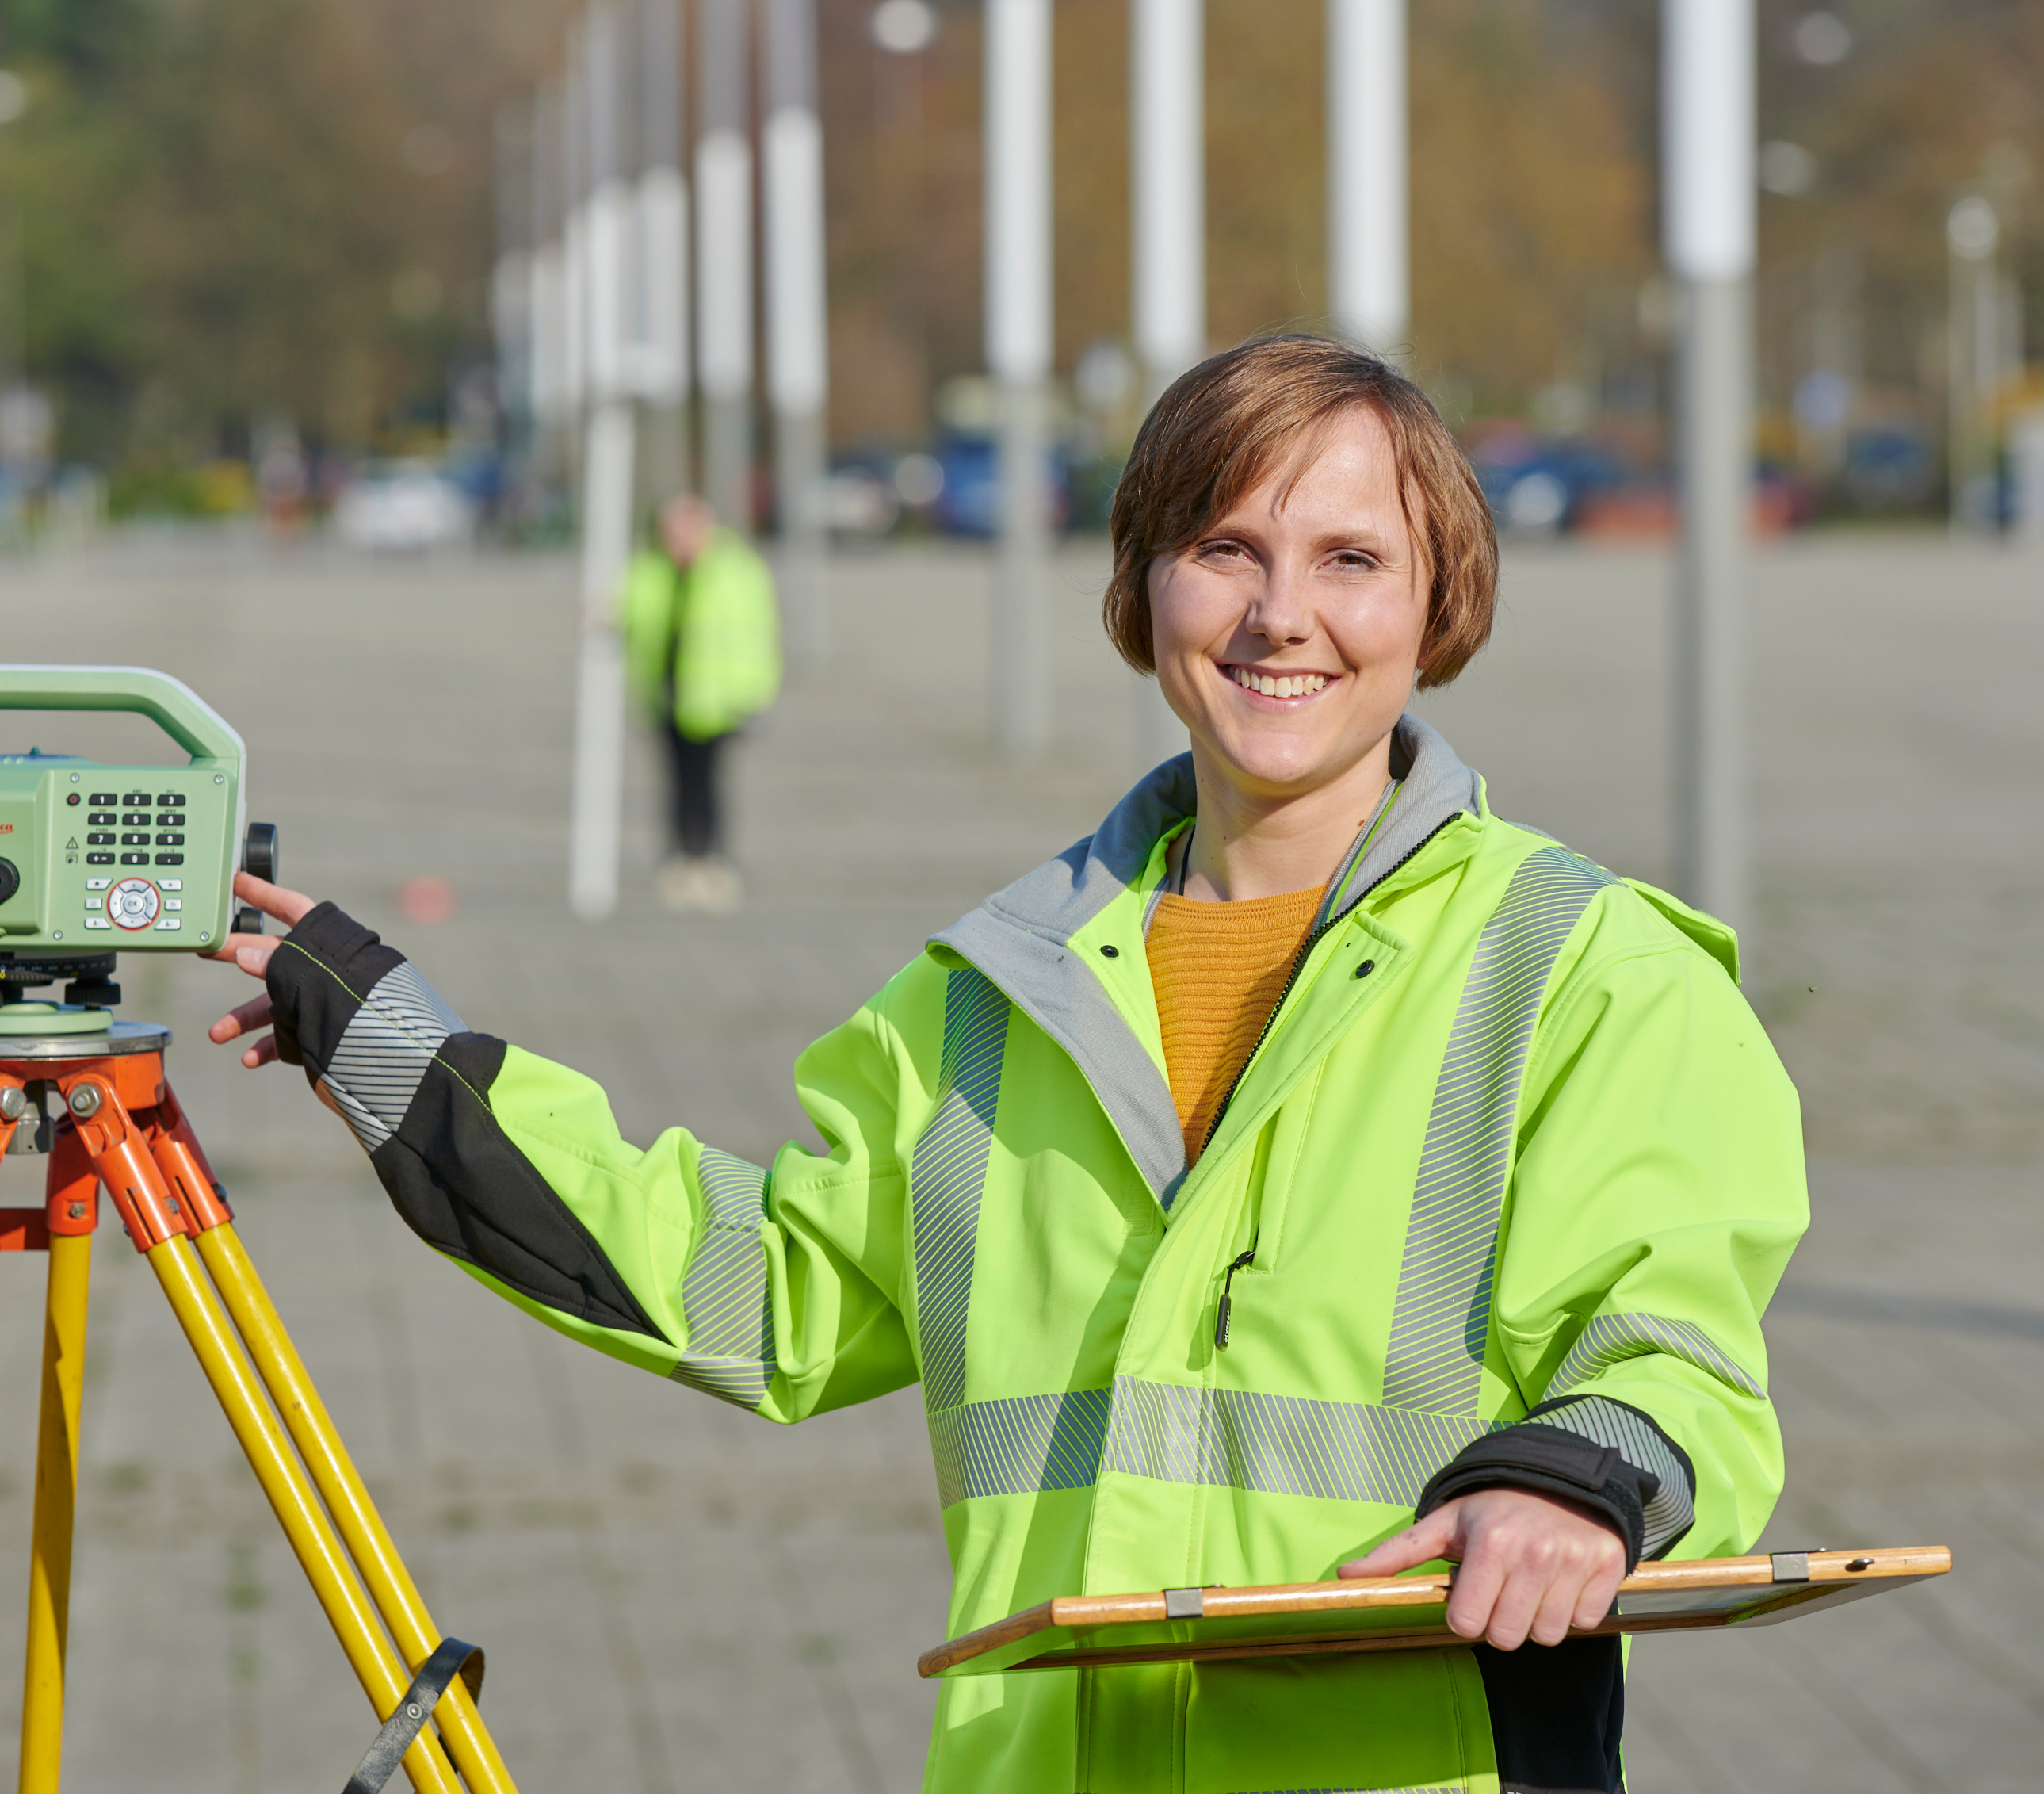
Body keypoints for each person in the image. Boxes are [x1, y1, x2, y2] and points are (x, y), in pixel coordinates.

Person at [207, 335, 1806, 1794]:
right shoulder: (990, 992)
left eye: (1349, 559)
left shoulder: (1583, 965)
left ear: (1437, 599)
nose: (1278, 615)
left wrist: (1571, 1485)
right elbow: (753, 1292)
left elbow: (1678, 1350)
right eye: (1223, 549)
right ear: (1142, 585)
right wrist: (391, 1044)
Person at [624, 492, 781, 913]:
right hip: (666, 692)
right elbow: (630, 613)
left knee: (708, 782)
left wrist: (754, 696)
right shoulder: (650, 571)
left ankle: (712, 860)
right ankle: (680, 858)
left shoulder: (736, 571)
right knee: (674, 782)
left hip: (716, 699)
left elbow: (757, 636)